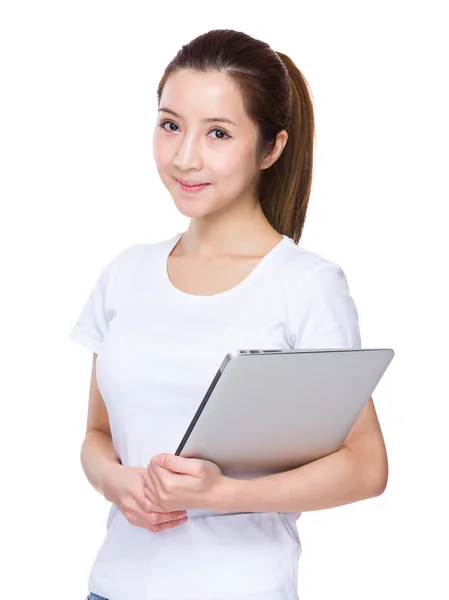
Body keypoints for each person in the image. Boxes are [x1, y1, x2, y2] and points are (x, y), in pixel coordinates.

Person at [69, 28, 388, 600]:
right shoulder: (125, 274)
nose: (184, 156)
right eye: (170, 125)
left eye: (218, 133)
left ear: (271, 148)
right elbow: (97, 436)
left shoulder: (304, 285)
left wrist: (221, 496)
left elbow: (366, 467)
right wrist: (118, 482)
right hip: (113, 587)